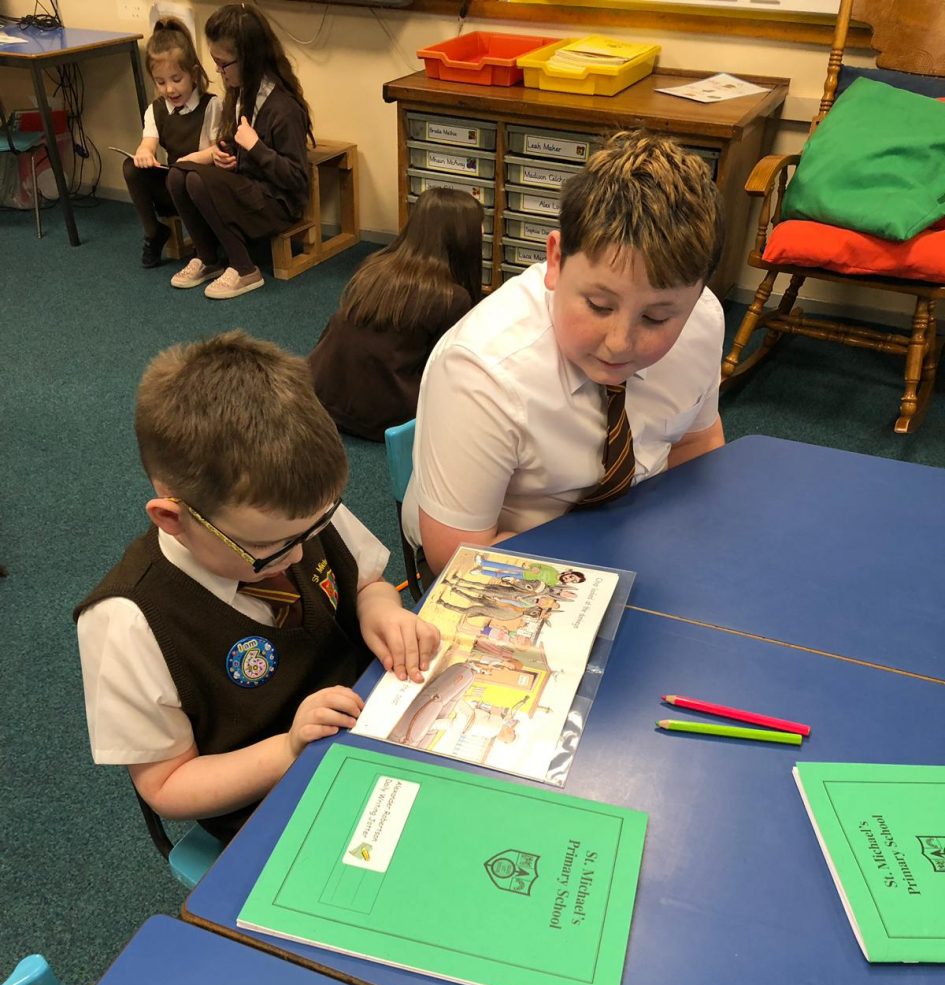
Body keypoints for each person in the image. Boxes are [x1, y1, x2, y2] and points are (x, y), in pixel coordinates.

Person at [74, 331, 439, 844]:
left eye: (314, 529)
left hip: (376, 728)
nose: (297, 555)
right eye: (267, 550)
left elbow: (368, 581)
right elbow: (166, 785)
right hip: (272, 801)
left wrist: (382, 610)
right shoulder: (128, 622)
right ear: (172, 519)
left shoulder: (291, 514)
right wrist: (289, 749)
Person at [402, 130, 727, 575]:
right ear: (555, 260)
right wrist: (609, 569)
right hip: (507, 552)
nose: (620, 342)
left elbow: (698, 442)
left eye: (656, 318)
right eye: (598, 305)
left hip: (639, 530)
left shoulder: (702, 321)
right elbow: (459, 555)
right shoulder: (480, 372)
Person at [307, 188, 484, 441]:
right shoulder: (451, 297)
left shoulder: (374, 265)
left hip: (321, 395)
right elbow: (442, 369)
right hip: (383, 415)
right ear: (461, 235)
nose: (482, 232)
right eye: (478, 225)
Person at [166, 3, 314, 299]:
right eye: (215, 62)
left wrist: (256, 147)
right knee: (177, 175)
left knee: (196, 180)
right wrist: (226, 153)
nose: (218, 71)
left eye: (223, 64)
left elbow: (298, 179)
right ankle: (208, 258)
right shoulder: (241, 91)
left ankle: (245, 268)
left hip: (278, 204)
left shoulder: (283, 108)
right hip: (248, 189)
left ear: (248, 59)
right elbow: (238, 145)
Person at [122, 19, 221, 268]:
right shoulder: (155, 109)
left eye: (176, 79)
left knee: (189, 179)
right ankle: (154, 232)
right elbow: (148, 143)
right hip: (172, 185)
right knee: (130, 167)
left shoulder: (211, 105)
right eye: (161, 82)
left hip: (200, 187)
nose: (169, 89)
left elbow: (217, 151)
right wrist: (144, 153)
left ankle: (207, 243)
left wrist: (192, 160)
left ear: (193, 74)